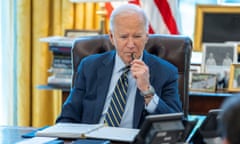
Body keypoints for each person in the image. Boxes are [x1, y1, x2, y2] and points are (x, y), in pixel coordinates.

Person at [56, 4, 182, 129]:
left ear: (146, 37)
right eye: (124, 37)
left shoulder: (165, 72)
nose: (131, 44)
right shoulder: (89, 66)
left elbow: (174, 125)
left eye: (137, 36)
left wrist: (147, 91)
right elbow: (68, 117)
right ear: (111, 37)